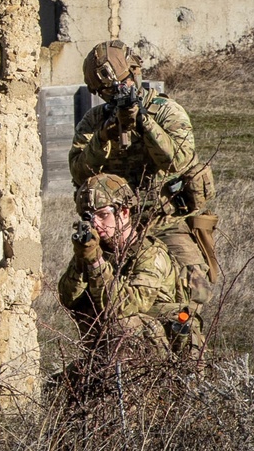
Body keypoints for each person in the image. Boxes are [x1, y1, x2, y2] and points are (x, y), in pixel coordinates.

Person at [69, 39, 218, 355]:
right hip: (116, 226)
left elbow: (177, 160)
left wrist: (142, 122)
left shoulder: (165, 111)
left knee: (193, 296)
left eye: (120, 85)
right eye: (106, 92)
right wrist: (105, 135)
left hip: (166, 222)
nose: (114, 94)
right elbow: (79, 171)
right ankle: (113, 357)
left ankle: (186, 366)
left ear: (134, 75)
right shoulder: (95, 122)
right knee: (90, 296)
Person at [58, 174, 189, 355]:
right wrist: (82, 260)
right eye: (89, 217)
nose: (96, 224)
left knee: (123, 323)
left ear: (125, 212)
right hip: (107, 354)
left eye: (103, 215)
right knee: (55, 383)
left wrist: (96, 262)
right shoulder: (95, 248)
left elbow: (124, 306)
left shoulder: (150, 254)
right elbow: (68, 299)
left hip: (157, 353)